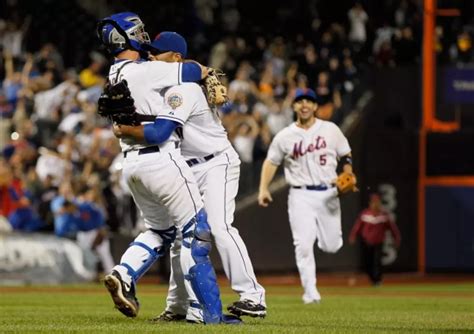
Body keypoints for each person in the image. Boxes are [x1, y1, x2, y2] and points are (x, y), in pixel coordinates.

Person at [110, 31, 266, 320]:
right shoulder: (159, 85)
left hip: (215, 162)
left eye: (158, 53)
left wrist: (125, 129)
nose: (151, 56)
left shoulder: (183, 89)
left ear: (177, 58)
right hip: (186, 165)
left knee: (218, 226)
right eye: (150, 52)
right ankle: (177, 308)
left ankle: (253, 296)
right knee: (184, 239)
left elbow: (159, 132)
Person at [258, 88, 356, 304]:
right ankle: (310, 292)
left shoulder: (330, 129)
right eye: (300, 101)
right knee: (302, 245)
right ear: (293, 106)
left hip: (329, 193)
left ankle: (323, 237)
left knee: (332, 246)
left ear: (315, 106)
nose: (304, 105)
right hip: (300, 195)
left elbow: (346, 153)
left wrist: (348, 172)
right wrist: (263, 188)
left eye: (309, 101)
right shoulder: (285, 135)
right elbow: (271, 161)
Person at [349, 193, 401, 286]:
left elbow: (392, 228)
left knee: (377, 262)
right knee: (367, 262)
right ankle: (373, 279)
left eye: (377, 202)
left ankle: (377, 280)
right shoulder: (365, 214)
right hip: (366, 242)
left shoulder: (383, 215)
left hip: (379, 242)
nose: (375, 204)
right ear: (370, 203)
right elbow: (357, 226)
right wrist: (353, 236)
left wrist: (396, 238)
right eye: (374, 202)